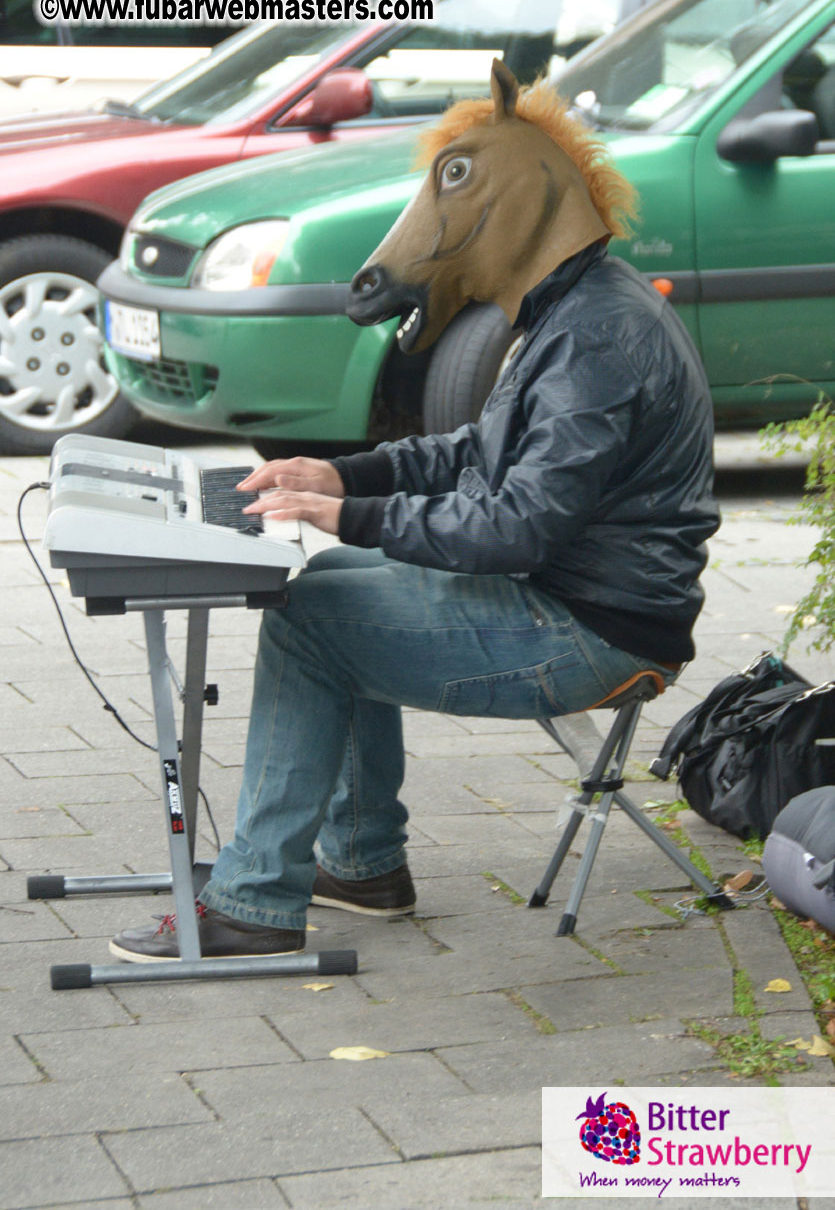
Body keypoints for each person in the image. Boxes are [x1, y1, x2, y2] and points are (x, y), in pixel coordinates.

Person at [110, 63, 719, 962]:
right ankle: (361, 864)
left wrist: (342, 514)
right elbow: (478, 451)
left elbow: (513, 526)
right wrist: (343, 477)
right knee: (329, 588)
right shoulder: (574, 306)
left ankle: (255, 902)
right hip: (577, 600)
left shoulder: (593, 337)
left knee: (311, 618)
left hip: (593, 630)